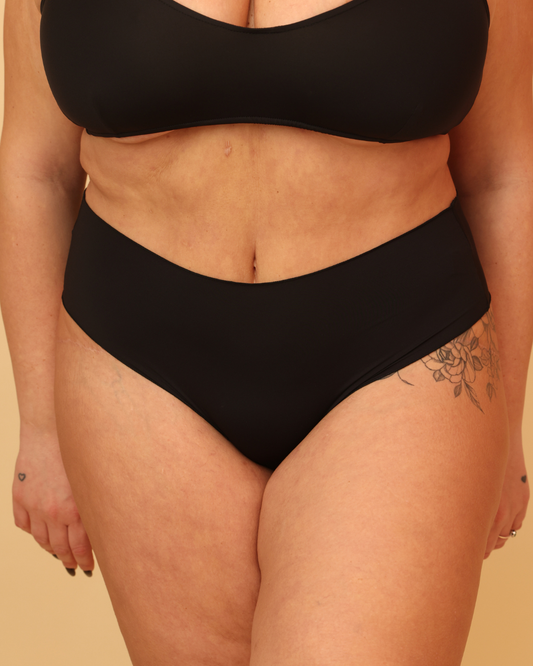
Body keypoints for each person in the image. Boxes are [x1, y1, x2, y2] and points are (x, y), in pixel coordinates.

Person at [0, 0, 531, 663]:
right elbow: (35, 171)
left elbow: (503, 173)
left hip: (403, 352)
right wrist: (42, 428)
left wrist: (506, 429)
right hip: (135, 368)